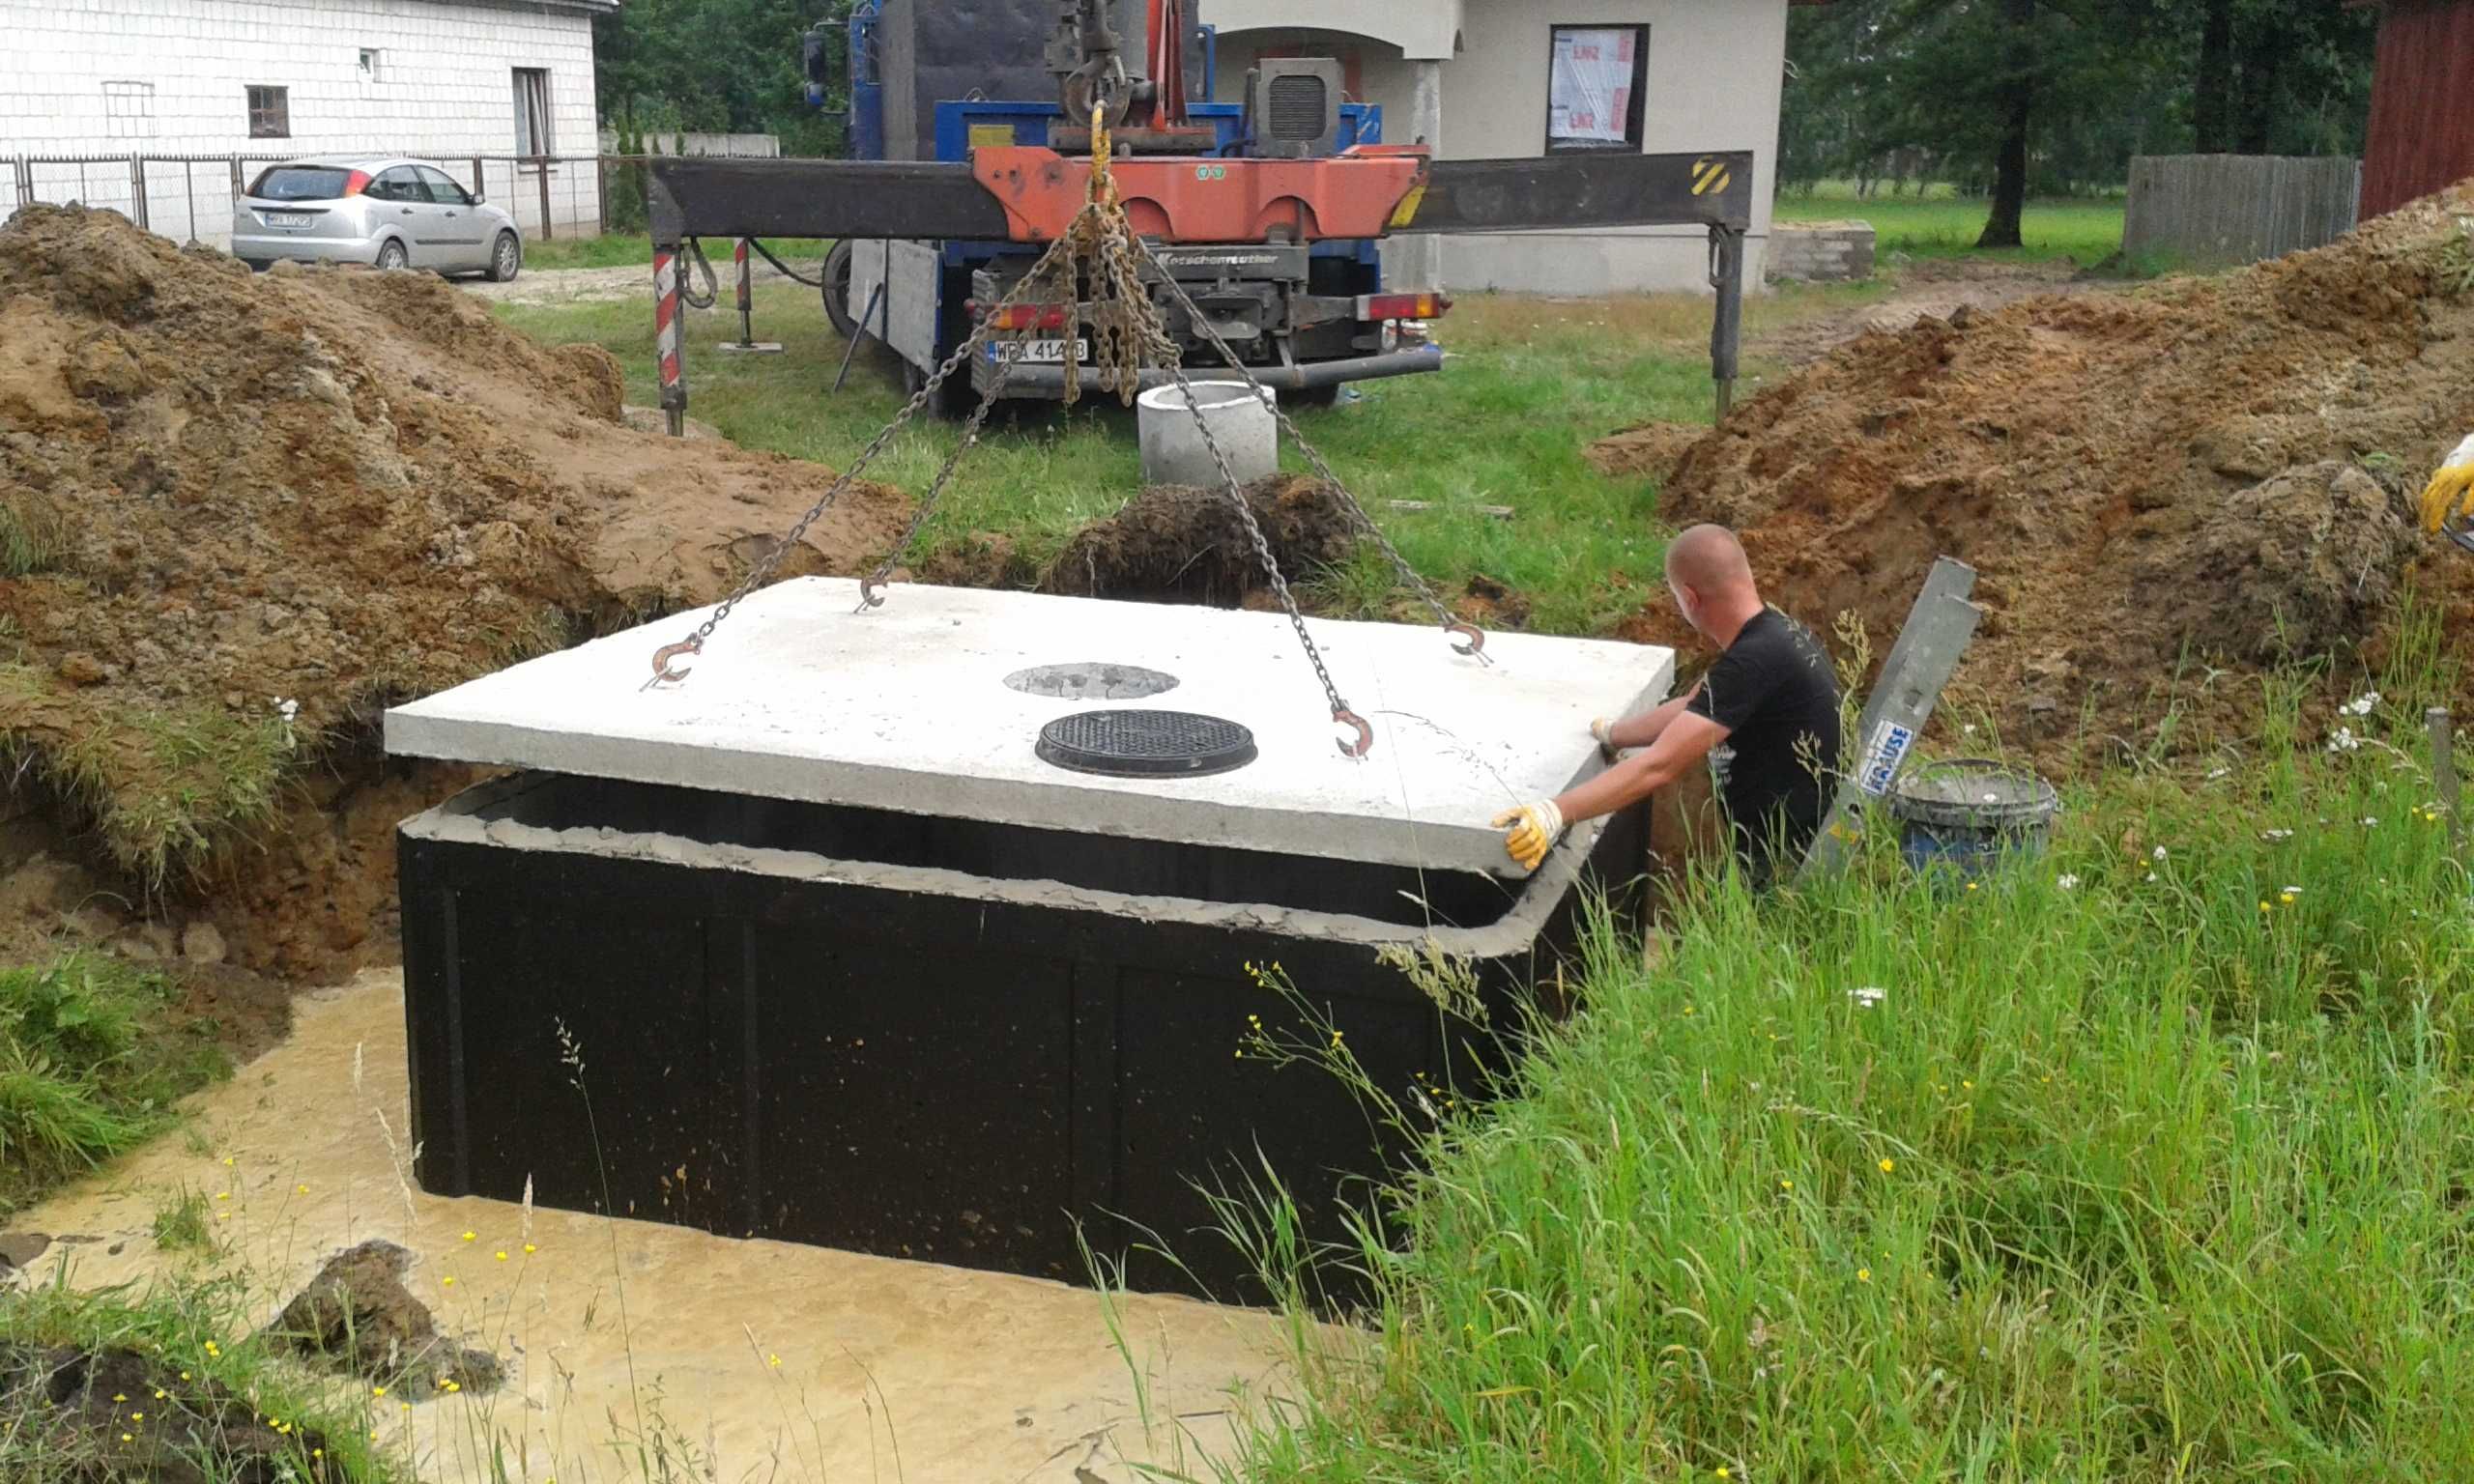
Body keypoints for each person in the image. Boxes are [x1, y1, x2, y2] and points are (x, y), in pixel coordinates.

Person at [1493, 525, 1841, 887]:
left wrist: (1555, 812)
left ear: (1689, 598)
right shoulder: (1779, 635)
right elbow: (1693, 704)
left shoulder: (1752, 662)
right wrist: (1614, 734)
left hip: (1788, 862)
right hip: (1796, 840)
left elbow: (1659, 766)